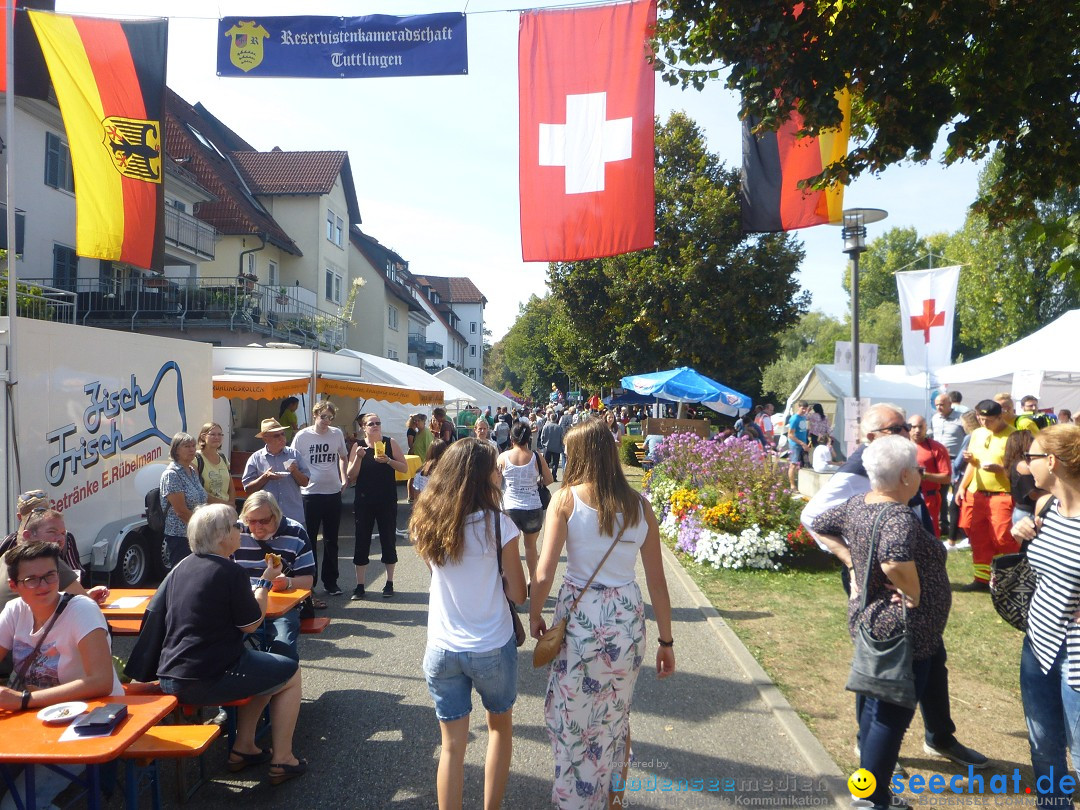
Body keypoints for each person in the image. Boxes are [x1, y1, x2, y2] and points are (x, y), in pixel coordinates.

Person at [801, 404, 988, 772]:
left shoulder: (896, 463)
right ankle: (869, 749)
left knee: (933, 659)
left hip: (910, 579)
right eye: (897, 427)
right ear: (872, 437)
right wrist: (852, 560)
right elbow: (813, 516)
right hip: (889, 585)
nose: (907, 431)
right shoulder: (863, 466)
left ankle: (938, 735)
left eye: (906, 425)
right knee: (880, 662)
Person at [529, 419, 675, 808]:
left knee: (573, 717)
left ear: (576, 455)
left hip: (580, 620)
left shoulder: (565, 500)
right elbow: (658, 583)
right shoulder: (640, 505)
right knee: (615, 717)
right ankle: (612, 799)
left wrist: (534, 615)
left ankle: (574, 799)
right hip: (626, 620)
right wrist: (666, 641)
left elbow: (544, 572)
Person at [810, 436, 952, 810]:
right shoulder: (898, 516)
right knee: (890, 717)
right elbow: (893, 560)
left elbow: (821, 523)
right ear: (905, 476)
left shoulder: (858, 504)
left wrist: (853, 563)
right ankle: (871, 799)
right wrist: (917, 593)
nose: (921, 475)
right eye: (919, 470)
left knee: (876, 711)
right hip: (903, 631)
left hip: (874, 623)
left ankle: (867, 791)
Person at [410, 439, 526, 810]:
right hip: (491, 642)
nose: (500, 472)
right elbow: (519, 593)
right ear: (480, 476)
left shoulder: (428, 522)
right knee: (498, 731)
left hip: (443, 646)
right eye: (495, 467)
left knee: (451, 747)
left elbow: (438, 573)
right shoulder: (500, 525)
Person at [155, 504, 306, 785]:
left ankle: (244, 747)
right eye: (237, 526)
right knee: (290, 672)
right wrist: (264, 581)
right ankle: (283, 759)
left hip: (170, 674)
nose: (242, 530)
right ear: (222, 535)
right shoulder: (229, 571)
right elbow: (251, 624)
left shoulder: (181, 567)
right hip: (207, 677)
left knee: (266, 669)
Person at [0, 541, 123, 810]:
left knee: (17, 806)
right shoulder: (15, 611)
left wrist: (23, 699)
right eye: (31, 579)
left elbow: (101, 682)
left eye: (49, 576)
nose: (43, 585)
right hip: (32, 720)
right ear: (14, 586)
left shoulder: (81, 609)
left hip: (87, 723)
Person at [1010, 424, 1080, 808]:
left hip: (1077, 654)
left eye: (1031, 458)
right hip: (1038, 644)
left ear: (1052, 462)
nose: (1025, 465)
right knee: (1044, 747)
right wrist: (1023, 535)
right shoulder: (1045, 506)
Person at [234, 492, 316, 660]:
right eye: (251, 521)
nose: (257, 527)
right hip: (241, 605)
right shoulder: (235, 531)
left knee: (282, 648)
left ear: (277, 516)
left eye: (264, 521)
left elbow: (308, 581)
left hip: (281, 609)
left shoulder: (296, 532)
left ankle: (283, 682)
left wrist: (287, 583)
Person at [956, 399, 1017, 590]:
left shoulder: (1014, 436)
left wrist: (1001, 469)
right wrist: (962, 486)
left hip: (1002, 494)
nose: (984, 423)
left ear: (1000, 417)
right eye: (980, 419)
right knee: (978, 536)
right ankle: (981, 580)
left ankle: (1009, 579)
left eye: (988, 420)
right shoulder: (977, 434)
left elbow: (1021, 468)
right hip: (977, 493)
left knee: (1003, 538)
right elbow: (972, 465)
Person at [347, 412, 408, 600]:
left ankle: (389, 582)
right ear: (363, 427)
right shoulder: (358, 446)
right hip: (364, 500)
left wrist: (388, 461)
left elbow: (404, 468)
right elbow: (351, 476)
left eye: (378, 423)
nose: (375, 426)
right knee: (362, 540)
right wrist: (358, 457)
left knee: (388, 539)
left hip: (386, 499)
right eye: (371, 423)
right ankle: (360, 585)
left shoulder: (390, 443)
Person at [293, 400, 348, 600]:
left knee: (331, 540)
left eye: (330, 418)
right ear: (315, 415)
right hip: (310, 493)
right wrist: (298, 479)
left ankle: (331, 581)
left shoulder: (337, 434)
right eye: (323, 416)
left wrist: (344, 476)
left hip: (332, 492)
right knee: (310, 539)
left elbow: (343, 456)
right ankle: (311, 581)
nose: (326, 421)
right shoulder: (303, 435)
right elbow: (293, 459)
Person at [498, 422, 553, 586]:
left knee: (509, 549)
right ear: (529, 437)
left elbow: (495, 482)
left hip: (510, 507)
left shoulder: (503, 457)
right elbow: (549, 480)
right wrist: (534, 484)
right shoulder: (536, 457)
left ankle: (511, 584)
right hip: (532, 506)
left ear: (511, 437)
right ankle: (532, 579)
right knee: (530, 547)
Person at [1, 490, 87, 585]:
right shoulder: (9, 542)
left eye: (42, 513)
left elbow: (76, 573)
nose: (37, 519)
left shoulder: (66, 539)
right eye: (31, 516)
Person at [242, 418, 311, 527]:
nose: (282, 438)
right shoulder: (256, 458)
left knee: (296, 544)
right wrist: (265, 477)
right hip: (266, 519)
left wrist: (294, 471)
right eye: (276, 436)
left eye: (282, 434)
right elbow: (248, 489)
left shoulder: (294, 454)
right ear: (265, 439)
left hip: (293, 516)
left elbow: (305, 483)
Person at [160, 432, 208, 568]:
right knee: (182, 574)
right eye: (187, 446)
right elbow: (181, 511)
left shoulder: (192, 471)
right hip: (181, 536)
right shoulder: (171, 474)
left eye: (193, 446)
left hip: (196, 534)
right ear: (176, 450)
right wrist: (201, 530)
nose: (192, 449)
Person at [930, 394, 968, 540]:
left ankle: (958, 527)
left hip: (956, 459)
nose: (939, 408)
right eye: (937, 405)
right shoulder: (935, 418)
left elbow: (967, 437)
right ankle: (943, 524)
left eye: (942, 405)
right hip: (939, 460)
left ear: (950, 404)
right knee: (941, 492)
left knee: (958, 494)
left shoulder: (960, 418)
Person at [909, 415, 952, 537]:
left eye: (920, 427)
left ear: (926, 428)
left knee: (929, 533)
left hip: (929, 498)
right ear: (908, 428)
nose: (917, 430)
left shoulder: (936, 448)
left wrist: (924, 475)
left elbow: (946, 478)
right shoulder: (900, 446)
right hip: (905, 496)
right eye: (913, 427)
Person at [1003, 430, 1046, 525]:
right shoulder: (1023, 466)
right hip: (1028, 513)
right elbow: (1033, 494)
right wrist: (1053, 493)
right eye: (1030, 440)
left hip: (1022, 511)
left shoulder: (1014, 463)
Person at [196, 422, 236, 507]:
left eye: (220, 434)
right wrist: (225, 504)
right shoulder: (196, 459)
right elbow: (197, 490)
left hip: (225, 510)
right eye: (213, 434)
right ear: (203, 436)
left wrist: (231, 504)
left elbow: (231, 488)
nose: (217, 437)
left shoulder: (223, 458)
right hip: (206, 511)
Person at [787, 401, 812, 488]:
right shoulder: (795, 419)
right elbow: (790, 434)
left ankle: (801, 483)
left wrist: (806, 442)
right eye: (802, 408)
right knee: (793, 464)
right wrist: (802, 443)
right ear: (799, 407)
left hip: (803, 444)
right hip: (795, 445)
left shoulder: (803, 417)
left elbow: (806, 415)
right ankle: (792, 485)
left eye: (805, 408)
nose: (804, 410)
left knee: (804, 464)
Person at [539, 410, 565, 482]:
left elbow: (542, 437)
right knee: (555, 463)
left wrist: (543, 445)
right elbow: (561, 438)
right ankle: (554, 476)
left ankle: (546, 476)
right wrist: (561, 446)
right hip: (557, 447)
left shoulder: (546, 426)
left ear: (550, 418)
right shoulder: (559, 428)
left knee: (546, 462)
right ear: (556, 419)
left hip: (547, 447)